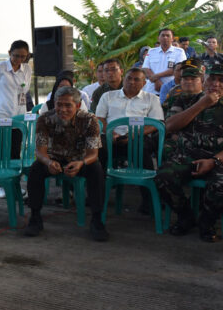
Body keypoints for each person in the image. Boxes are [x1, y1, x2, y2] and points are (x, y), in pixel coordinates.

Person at [25, 86, 108, 241]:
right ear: (54, 103)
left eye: (68, 105)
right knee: (35, 169)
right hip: (54, 159)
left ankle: (97, 219)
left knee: (96, 169)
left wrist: (80, 163)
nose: (62, 109)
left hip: (79, 160)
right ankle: (35, 216)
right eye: (59, 104)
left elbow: (93, 154)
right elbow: (39, 151)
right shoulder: (45, 119)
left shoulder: (89, 120)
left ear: (77, 106)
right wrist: (49, 162)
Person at [156, 64, 223, 242]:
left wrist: (214, 161)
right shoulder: (186, 99)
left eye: (221, 80)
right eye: (212, 79)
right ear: (205, 80)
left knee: (220, 184)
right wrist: (201, 104)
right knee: (163, 177)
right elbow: (169, 126)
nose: (216, 83)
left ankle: (207, 222)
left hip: (218, 158)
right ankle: (186, 217)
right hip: (188, 154)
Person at [95, 68, 163, 213]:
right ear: (123, 79)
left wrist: (134, 135)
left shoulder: (152, 99)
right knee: (97, 149)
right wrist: (110, 133)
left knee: (142, 150)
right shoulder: (108, 96)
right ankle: (96, 196)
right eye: (129, 78)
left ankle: (148, 200)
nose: (132, 82)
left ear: (144, 83)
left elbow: (156, 123)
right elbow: (99, 118)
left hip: (137, 138)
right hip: (111, 137)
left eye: (136, 79)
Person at [0, 40, 32, 198]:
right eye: (16, 56)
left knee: (15, 153)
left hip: (19, 117)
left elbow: (24, 91)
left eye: (23, 56)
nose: (19, 59)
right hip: (0, 116)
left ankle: (14, 185)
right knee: (0, 152)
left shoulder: (27, 69)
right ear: (9, 53)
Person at [142, 28, 187, 95]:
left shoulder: (179, 52)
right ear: (158, 38)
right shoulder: (151, 51)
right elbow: (146, 67)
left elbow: (178, 69)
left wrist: (156, 76)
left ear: (172, 38)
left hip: (171, 90)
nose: (165, 37)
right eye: (163, 35)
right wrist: (156, 81)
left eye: (168, 35)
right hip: (152, 89)